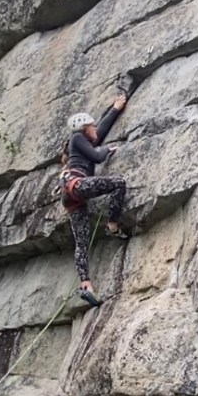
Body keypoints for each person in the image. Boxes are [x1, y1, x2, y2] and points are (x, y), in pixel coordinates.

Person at [61, 92, 129, 307]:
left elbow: (101, 130)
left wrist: (116, 108)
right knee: (118, 183)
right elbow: (98, 156)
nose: (94, 128)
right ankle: (112, 224)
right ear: (84, 129)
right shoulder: (77, 138)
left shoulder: (82, 140)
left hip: (71, 196)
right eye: (91, 125)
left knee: (81, 241)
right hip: (78, 185)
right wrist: (108, 150)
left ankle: (86, 285)